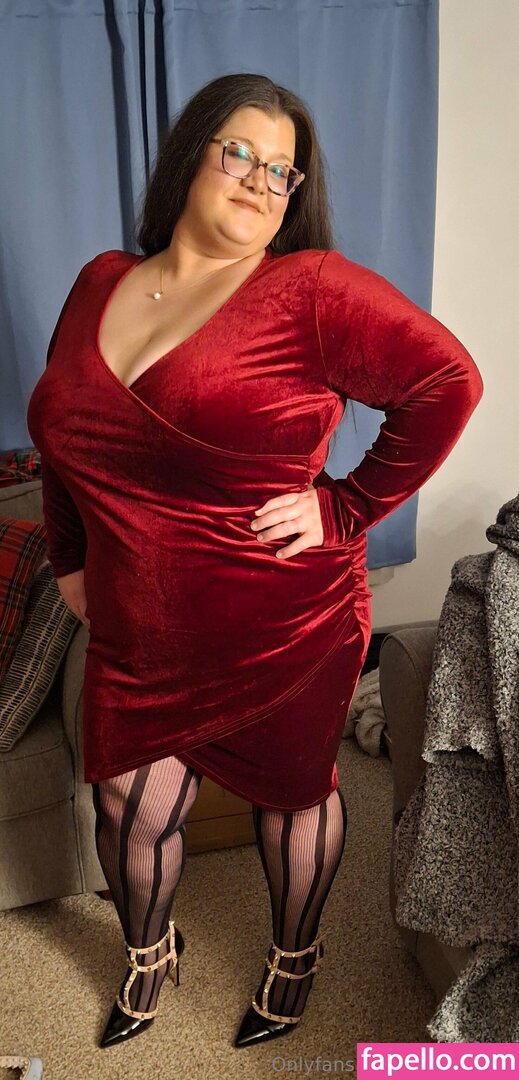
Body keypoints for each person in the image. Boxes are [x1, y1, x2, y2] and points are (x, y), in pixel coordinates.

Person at [27, 72, 484, 1052]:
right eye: (239, 152)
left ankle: (294, 957)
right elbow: (63, 433)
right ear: (189, 154)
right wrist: (69, 555)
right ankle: (150, 952)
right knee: (128, 801)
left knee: (293, 797)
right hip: (139, 618)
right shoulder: (101, 279)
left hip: (281, 618)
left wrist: (346, 506)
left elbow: (449, 381)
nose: (259, 180)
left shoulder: (309, 289)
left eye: (283, 171)